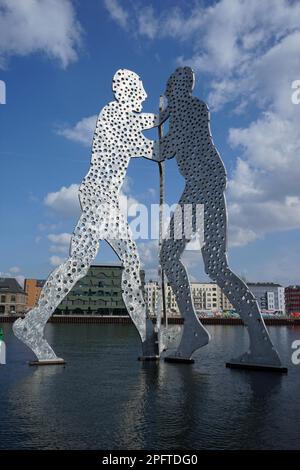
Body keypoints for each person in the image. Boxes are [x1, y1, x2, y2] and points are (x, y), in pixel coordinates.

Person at [13, 69, 160, 362]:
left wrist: (164, 117)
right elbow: (153, 149)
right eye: (139, 90)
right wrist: (173, 130)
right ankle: (146, 339)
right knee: (109, 263)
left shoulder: (122, 116)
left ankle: (147, 339)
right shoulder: (115, 116)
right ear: (125, 92)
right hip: (100, 198)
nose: (143, 96)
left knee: (97, 263)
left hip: (104, 199)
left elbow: (147, 121)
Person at [155, 67, 282, 367]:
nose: (168, 97)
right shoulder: (191, 109)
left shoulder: (189, 109)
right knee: (213, 264)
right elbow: (169, 147)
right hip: (204, 183)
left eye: (169, 91)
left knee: (171, 255)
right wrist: (160, 122)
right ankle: (259, 346)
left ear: (176, 91)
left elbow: (165, 150)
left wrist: (148, 129)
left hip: (202, 183)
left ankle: (195, 331)